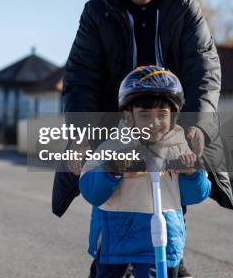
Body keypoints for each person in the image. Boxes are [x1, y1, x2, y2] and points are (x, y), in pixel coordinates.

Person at [52, 0, 233, 277]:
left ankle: (169, 264)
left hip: (169, 128)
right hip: (116, 130)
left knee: (167, 215)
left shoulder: (184, 8)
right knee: (112, 210)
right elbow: (81, 78)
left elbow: (205, 70)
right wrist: (80, 135)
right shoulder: (97, 12)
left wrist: (198, 126)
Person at [80, 66, 211, 278]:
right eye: (144, 115)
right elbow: (90, 191)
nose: (154, 123)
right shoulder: (112, 147)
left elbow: (195, 195)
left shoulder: (179, 148)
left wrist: (191, 174)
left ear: (173, 116)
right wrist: (111, 170)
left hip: (162, 242)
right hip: (117, 242)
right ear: (129, 116)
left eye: (162, 114)